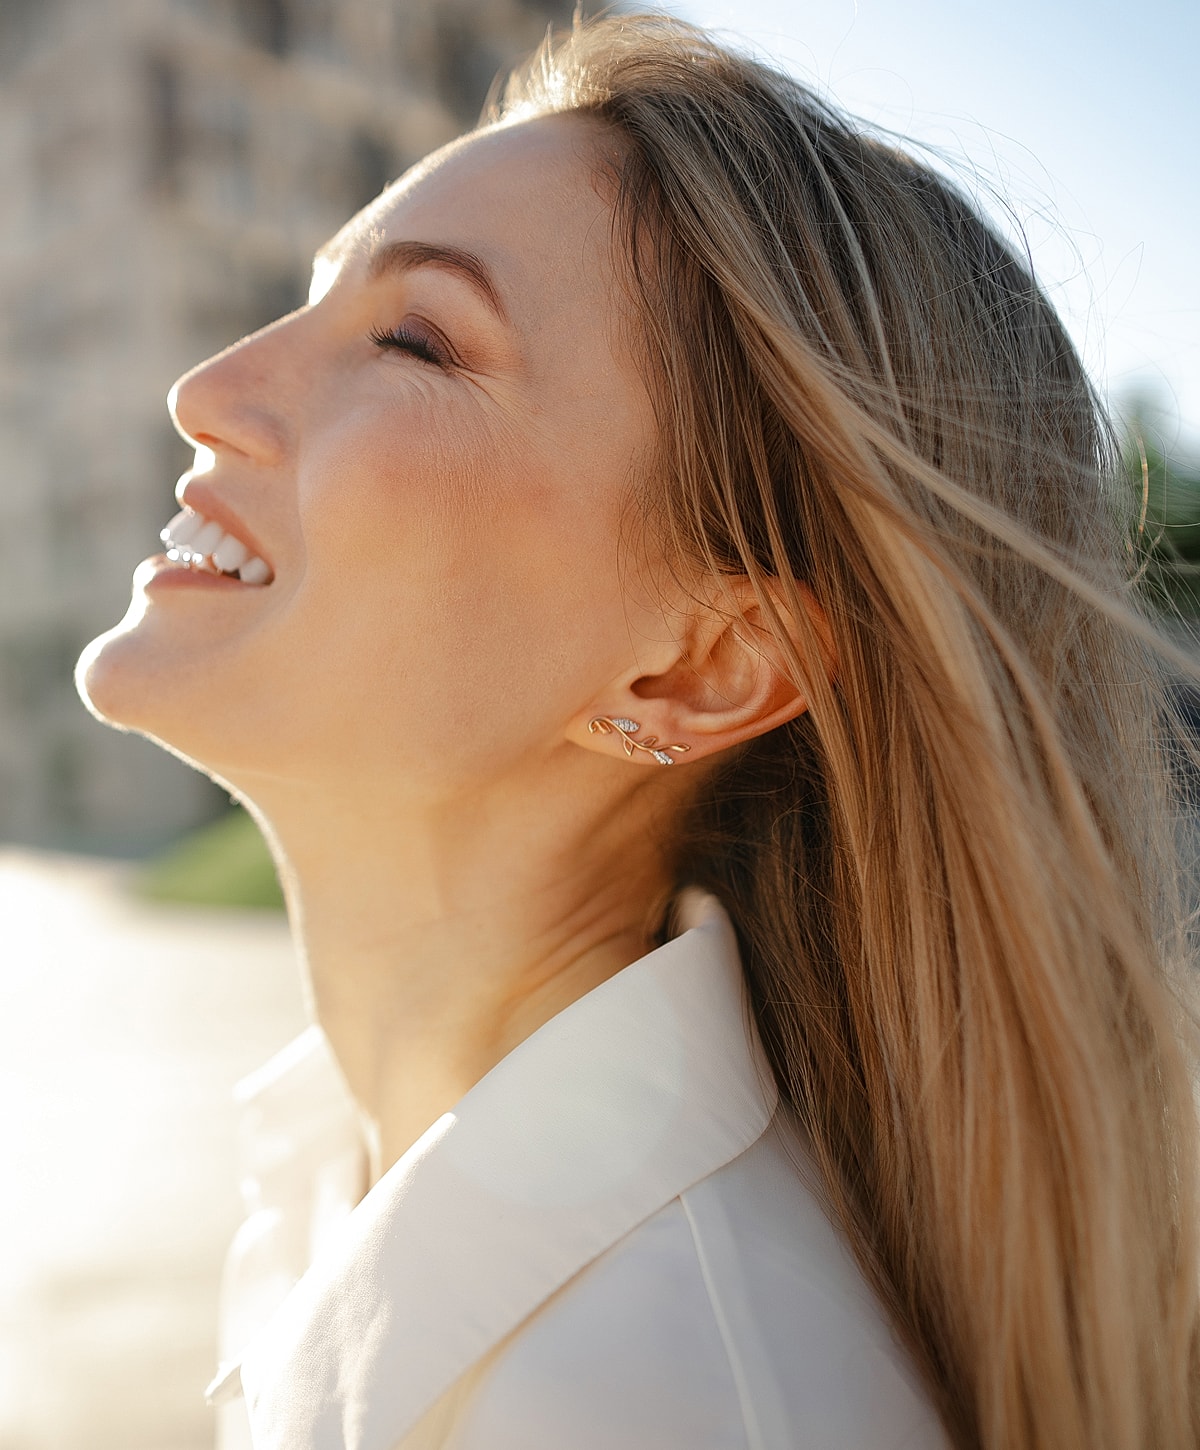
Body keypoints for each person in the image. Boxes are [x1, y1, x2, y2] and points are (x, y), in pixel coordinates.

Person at [75, 13, 1200, 1450]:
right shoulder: (336, 1182)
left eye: (414, 338)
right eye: (308, 297)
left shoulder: (666, 1399)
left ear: (703, 668)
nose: (209, 390)